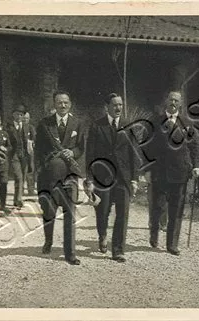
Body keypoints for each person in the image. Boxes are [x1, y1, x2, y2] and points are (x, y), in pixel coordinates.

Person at [146, 91, 199, 256]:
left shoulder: (187, 123)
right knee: (157, 206)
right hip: (160, 172)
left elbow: (195, 146)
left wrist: (197, 166)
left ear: (180, 103)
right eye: (170, 99)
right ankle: (154, 234)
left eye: (176, 100)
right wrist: (147, 170)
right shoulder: (155, 122)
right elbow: (146, 148)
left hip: (180, 172)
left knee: (176, 209)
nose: (173, 102)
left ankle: (172, 244)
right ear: (166, 101)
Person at [85, 93, 138, 263]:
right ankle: (102, 234)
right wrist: (90, 179)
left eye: (120, 105)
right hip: (103, 177)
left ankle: (118, 250)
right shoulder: (96, 126)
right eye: (115, 105)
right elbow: (90, 155)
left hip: (123, 177)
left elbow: (134, 153)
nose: (118, 108)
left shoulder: (128, 125)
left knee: (123, 213)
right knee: (103, 210)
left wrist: (135, 178)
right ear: (106, 106)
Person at [35, 91, 85, 265]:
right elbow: (38, 151)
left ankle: (70, 253)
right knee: (49, 211)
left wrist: (72, 152)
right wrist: (46, 165)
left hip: (70, 176)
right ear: (54, 104)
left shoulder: (77, 123)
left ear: (70, 104)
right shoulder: (44, 124)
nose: (62, 106)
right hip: (49, 176)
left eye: (65, 102)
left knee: (70, 213)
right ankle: (48, 241)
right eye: (59, 102)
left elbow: (81, 148)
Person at [6, 105, 32, 208]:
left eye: (21, 114)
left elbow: (33, 138)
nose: (19, 116)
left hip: (25, 155)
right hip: (14, 154)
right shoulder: (8, 127)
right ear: (13, 114)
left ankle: (17, 199)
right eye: (17, 114)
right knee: (18, 176)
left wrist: (32, 143)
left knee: (23, 176)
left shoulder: (27, 126)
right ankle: (18, 199)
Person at [23, 112, 37, 196]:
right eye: (24, 118)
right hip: (20, 152)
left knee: (30, 170)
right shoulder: (18, 127)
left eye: (27, 118)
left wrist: (31, 142)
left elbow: (34, 138)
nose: (25, 120)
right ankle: (20, 190)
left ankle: (30, 189)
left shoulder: (30, 127)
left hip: (29, 151)